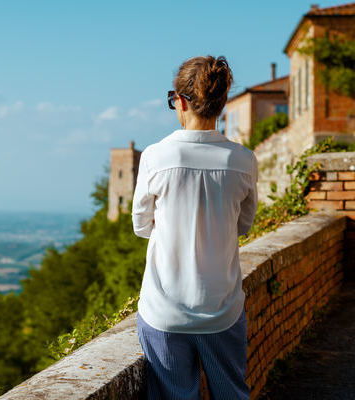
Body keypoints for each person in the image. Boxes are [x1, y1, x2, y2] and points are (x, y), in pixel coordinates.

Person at [132, 55, 258, 400]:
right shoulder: (243, 160)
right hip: (223, 309)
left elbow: (141, 225)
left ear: (181, 101)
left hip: (165, 311)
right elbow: (244, 225)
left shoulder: (156, 157)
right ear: (222, 103)